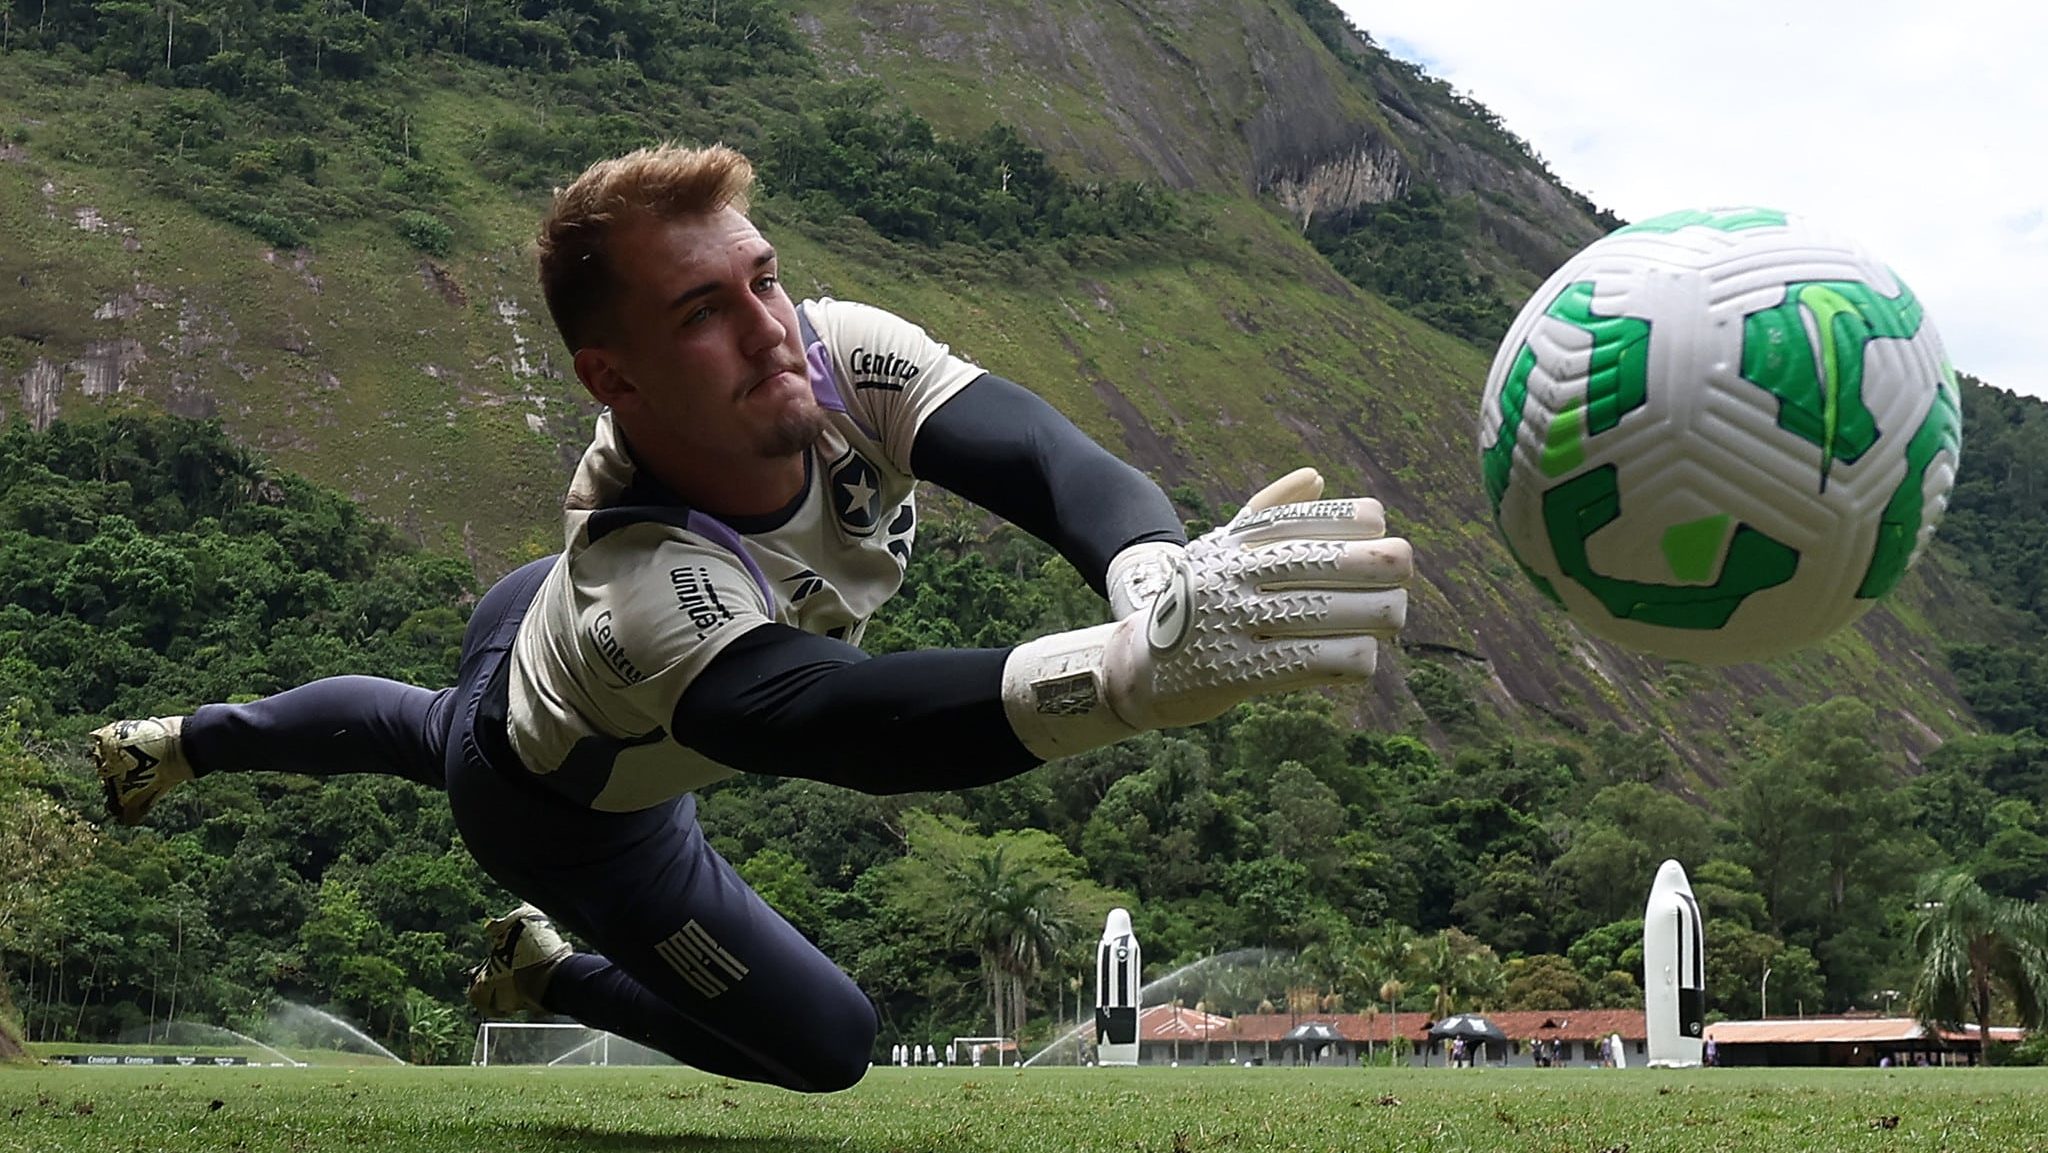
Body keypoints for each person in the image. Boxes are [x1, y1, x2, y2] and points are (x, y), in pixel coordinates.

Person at [87, 143, 1413, 1094]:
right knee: (828, 1047)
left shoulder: (832, 348)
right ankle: (544, 966)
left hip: (527, 626)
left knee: (422, 718)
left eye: (764, 277)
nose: (769, 328)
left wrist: (1148, 569)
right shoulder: (639, 573)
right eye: (704, 311)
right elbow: (828, 720)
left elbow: (1042, 456)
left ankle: (188, 740)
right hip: (563, 799)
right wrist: (1116, 677)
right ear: (615, 377)